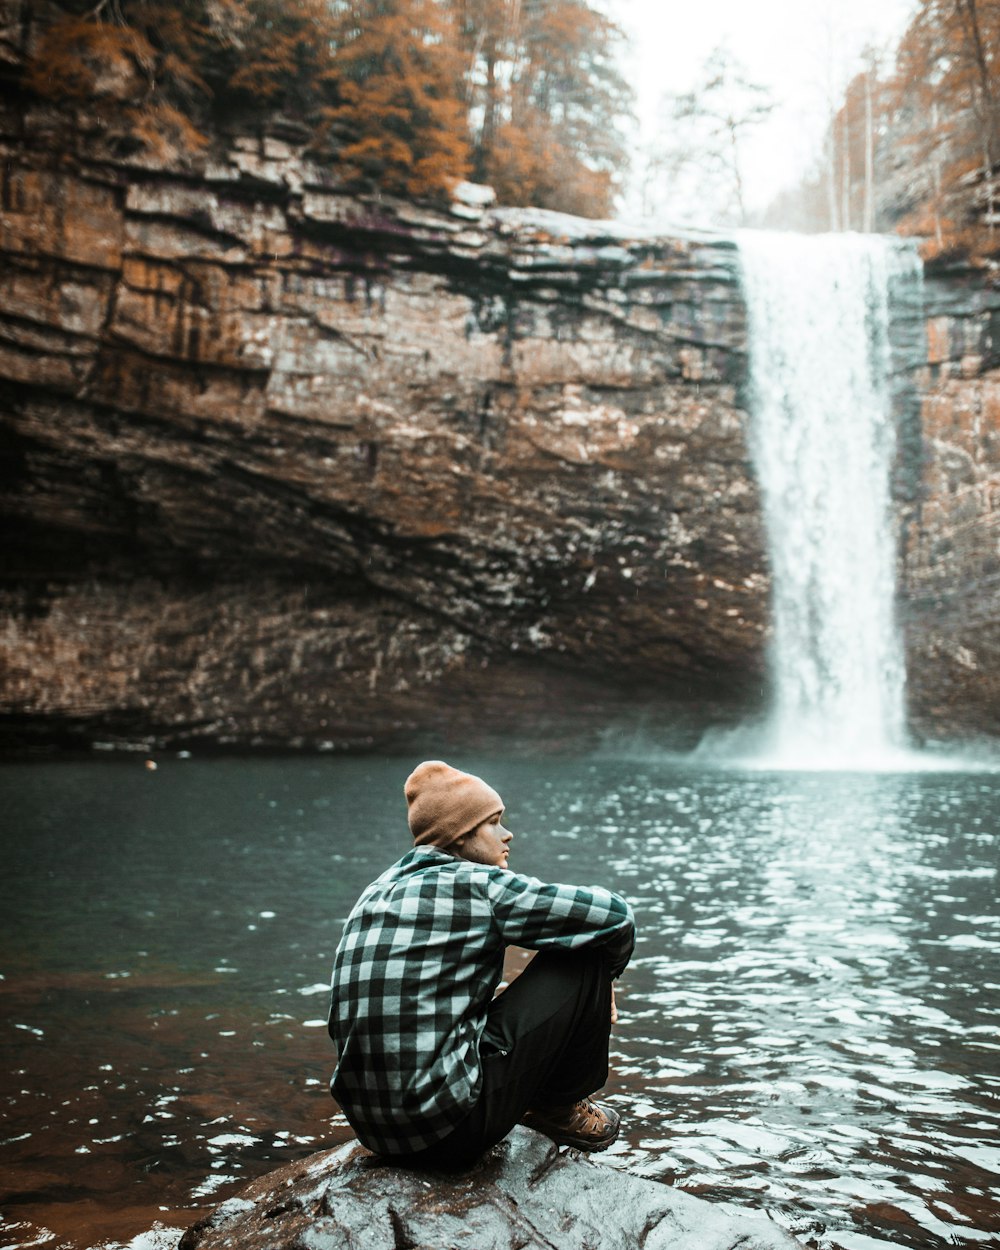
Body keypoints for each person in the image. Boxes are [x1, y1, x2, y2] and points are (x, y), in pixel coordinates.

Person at [327, 759, 635, 1166]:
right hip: (449, 1131)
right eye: (494, 822)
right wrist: (604, 982)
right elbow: (616, 915)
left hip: (373, 1131)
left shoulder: (376, 893)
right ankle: (558, 1108)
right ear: (459, 836)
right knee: (587, 954)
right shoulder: (479, 886)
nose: (508, 834)